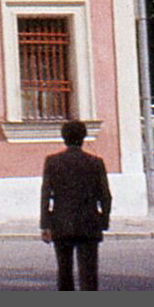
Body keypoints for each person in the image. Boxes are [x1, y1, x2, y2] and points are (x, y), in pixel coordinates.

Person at [40, 119, 112, 290]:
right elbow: (106, 196)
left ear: (64, 138)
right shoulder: (96, 163)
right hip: (89, 224)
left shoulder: (52, 162)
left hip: (61, 223)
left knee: (64, 273)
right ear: (83, 137)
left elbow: (45, 196)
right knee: (89, 274)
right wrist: (103, 221)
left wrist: (45, 225)